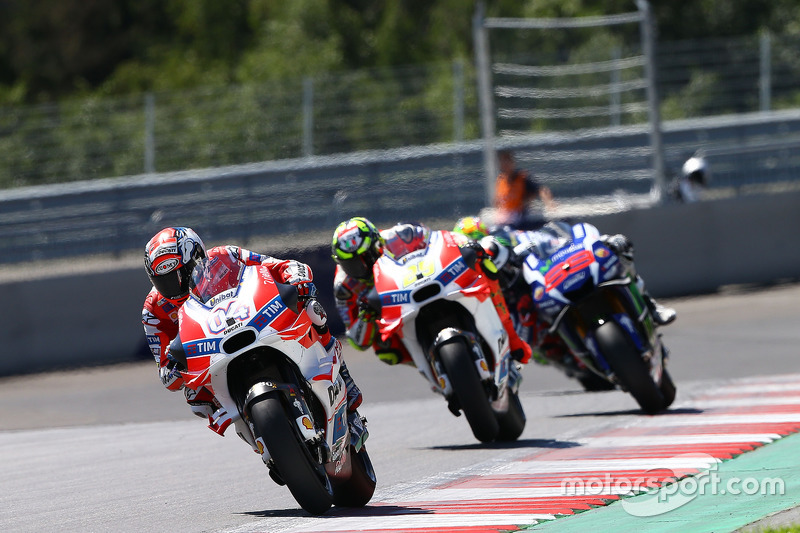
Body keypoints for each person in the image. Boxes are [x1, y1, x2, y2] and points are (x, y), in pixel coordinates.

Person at [141, 226, 367, 448]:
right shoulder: (153, 311)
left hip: (253, 323)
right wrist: (173, 366)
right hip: (209, 354)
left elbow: (275, 266)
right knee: (194, 396)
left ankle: (346, 387)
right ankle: (254, 430)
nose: (177, 285)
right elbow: (166, 374)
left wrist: (295, 277)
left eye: (184, 273)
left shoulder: (226, 255)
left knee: (311, 309)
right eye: (166, 281)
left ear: (198, 257)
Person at [331, 217, 532, 365]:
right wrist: (366, 317)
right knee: (387, 352)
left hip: (420, 284)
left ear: (378, 244)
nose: (363, 267)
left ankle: (513, 339)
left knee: (483, 262)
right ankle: (432, 366)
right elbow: (357, 341)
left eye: (367, 257)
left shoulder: (398, 236)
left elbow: (438, 240)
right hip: (391, 312)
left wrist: (465, 243)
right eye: (353, 264)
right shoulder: (345, 286)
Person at [493, 149, 555, 229]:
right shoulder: (501, 179)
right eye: (503, 161)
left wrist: (549, 204)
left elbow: (542, 190)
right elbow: (498, 201)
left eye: (508, 161)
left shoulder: (522, 178)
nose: (505, 164)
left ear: (512, 163)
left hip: (519, 217)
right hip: (504, 218)